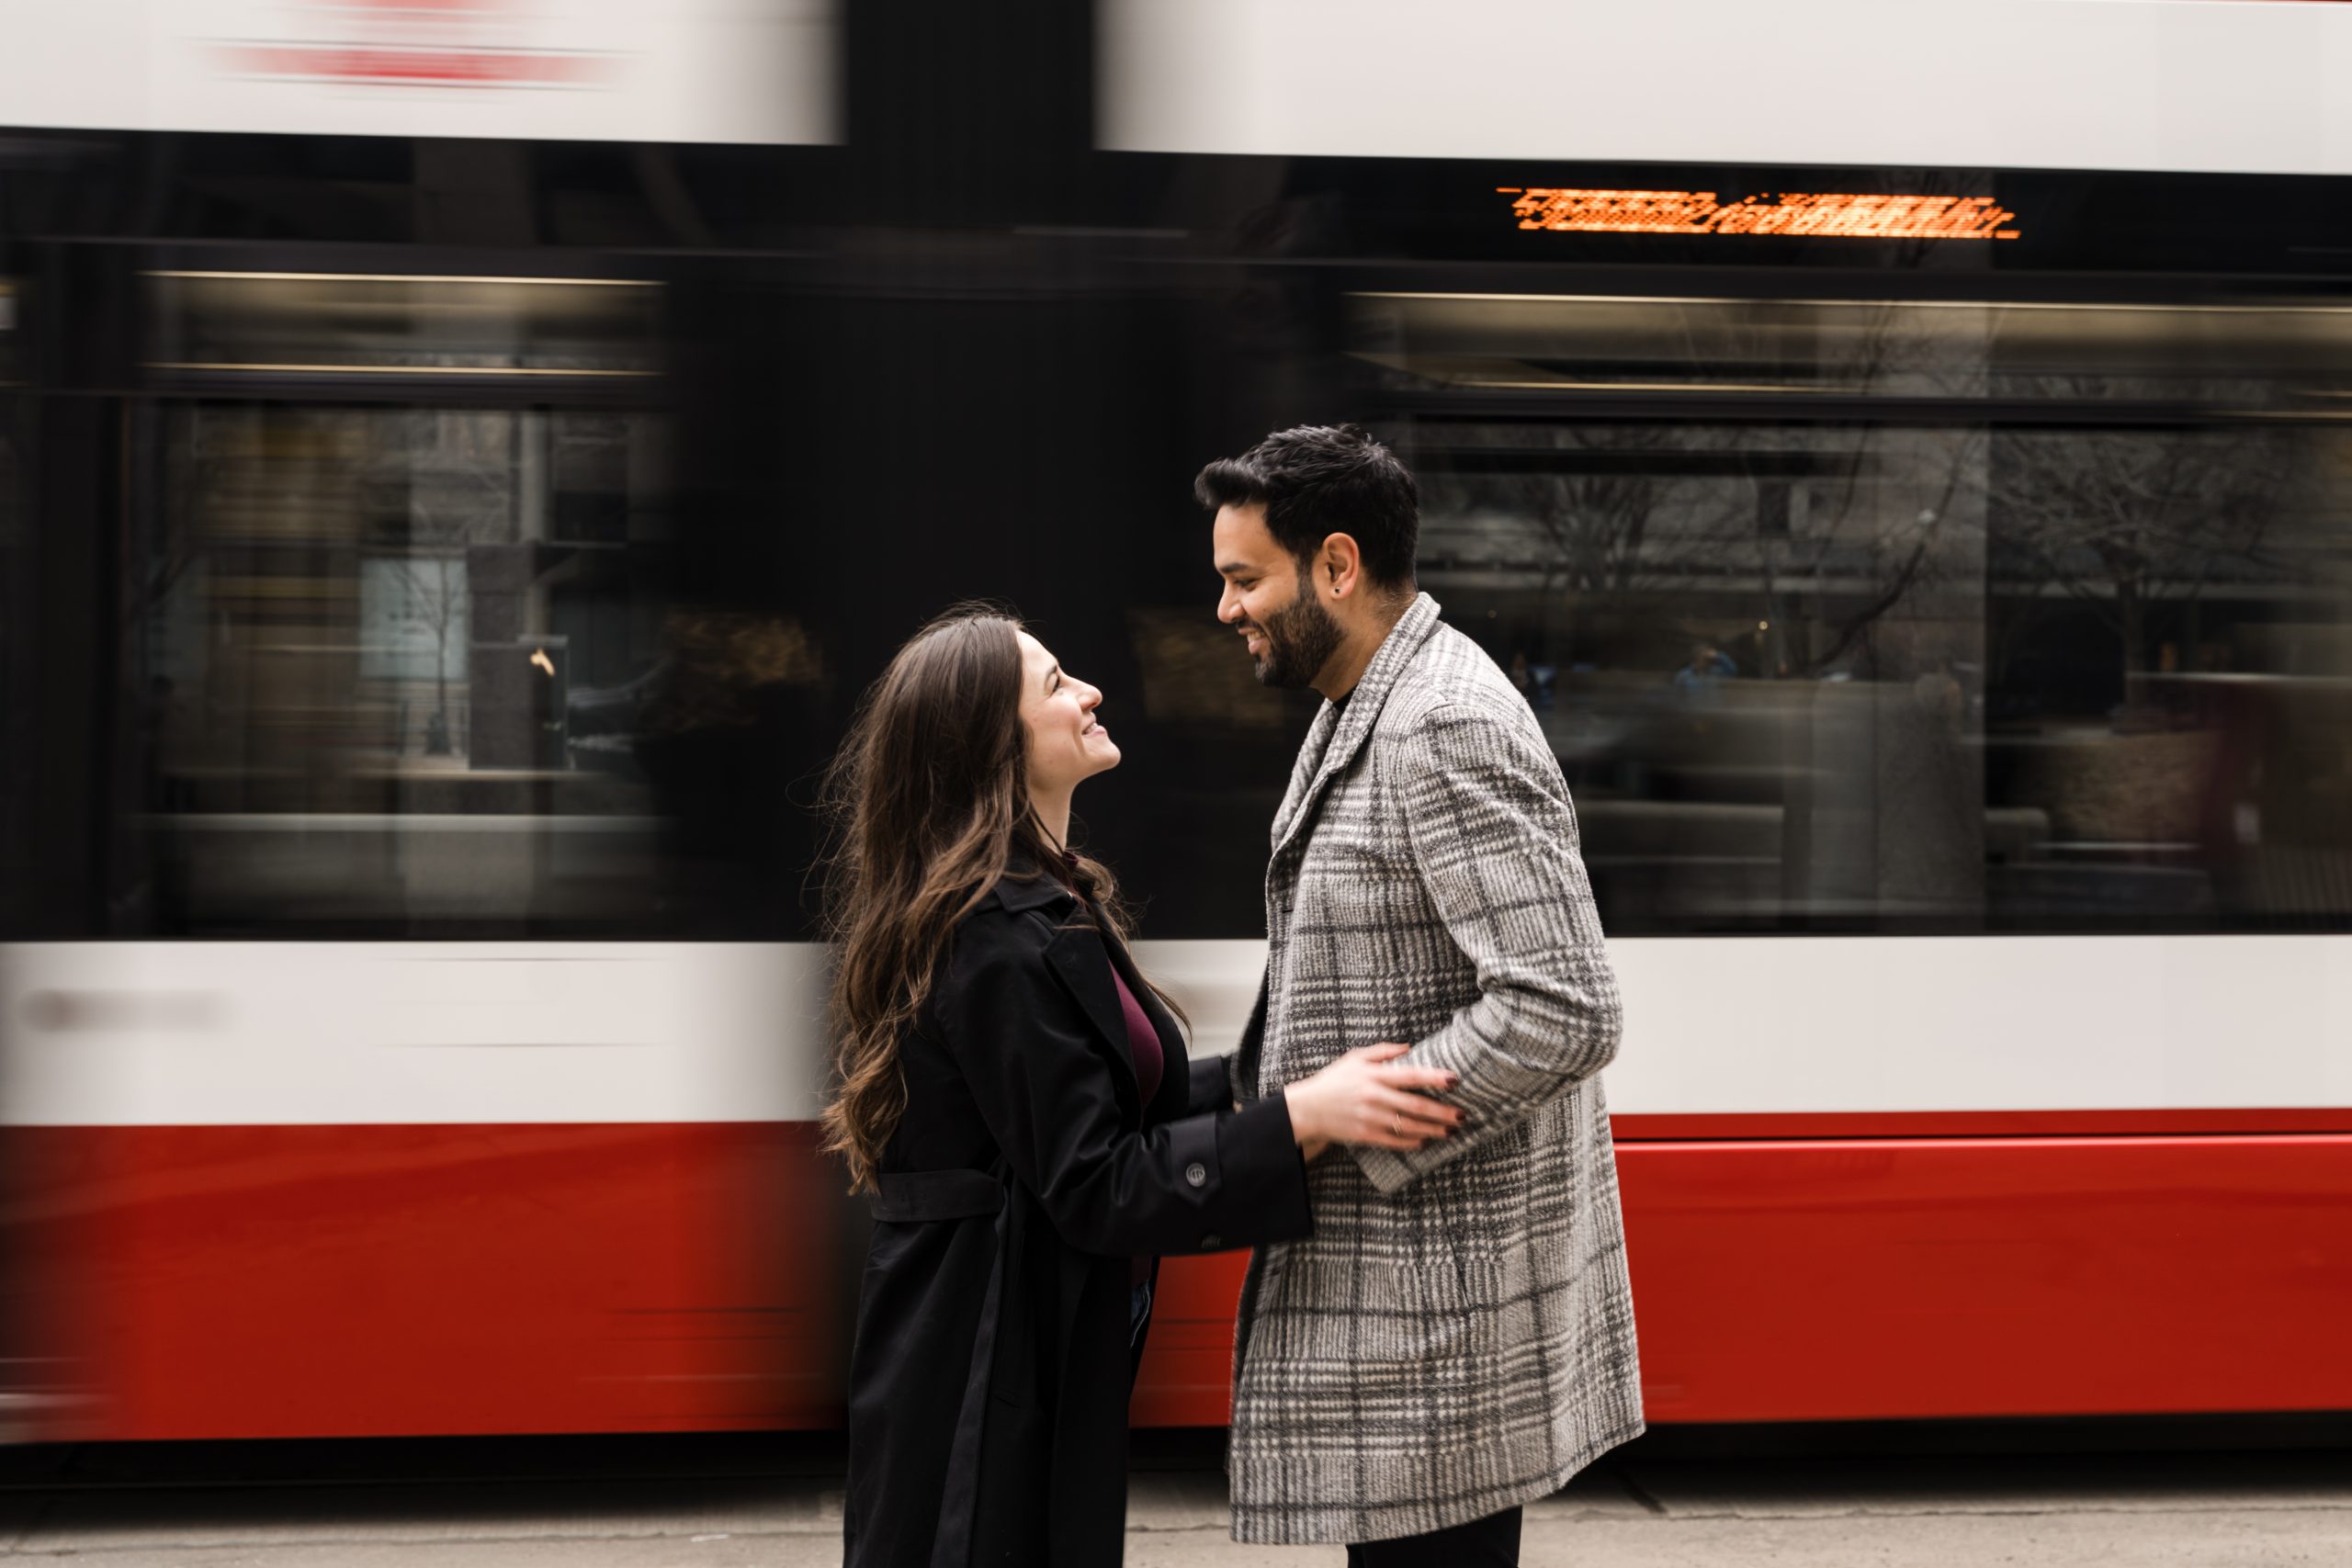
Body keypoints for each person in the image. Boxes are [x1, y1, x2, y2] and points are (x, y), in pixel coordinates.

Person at [827, 605, 1464, 1568]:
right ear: (994, 746)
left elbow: (1125, 1098)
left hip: (1023, 1345)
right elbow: (1100, 1185)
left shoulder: (1049, 898)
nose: (1088, 693)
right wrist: (1297, 1120)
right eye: (1054, 686)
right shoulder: (990, 940)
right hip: (979, 1373)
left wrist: (1278, 1083)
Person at [1198, 425, 1643, 1565]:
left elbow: (1566, 1003)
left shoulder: (1441, 722)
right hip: (1407, 1311)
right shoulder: (1363, 700)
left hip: (1441, 1306)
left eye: (1246, 579)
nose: (1226, 609)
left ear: (1335, 567)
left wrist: (1371, 1115)